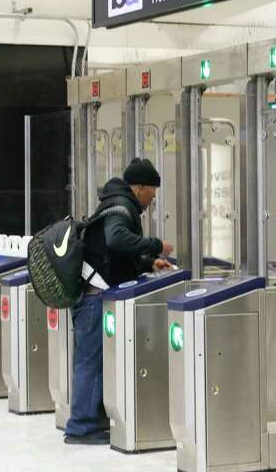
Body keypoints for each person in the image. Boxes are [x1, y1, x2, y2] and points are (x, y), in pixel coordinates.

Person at [64, 158, 173, 445]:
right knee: (91, 361)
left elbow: (117, 257)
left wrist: (150, 263)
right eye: (153, 189)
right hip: (93, 295)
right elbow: (115, 239)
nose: (154, 196)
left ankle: (90, 420)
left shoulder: (115, 204)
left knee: (93, 360)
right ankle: (81, 426)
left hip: (91, 291)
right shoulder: (122, 208)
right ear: (139, 188)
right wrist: (155, 244)